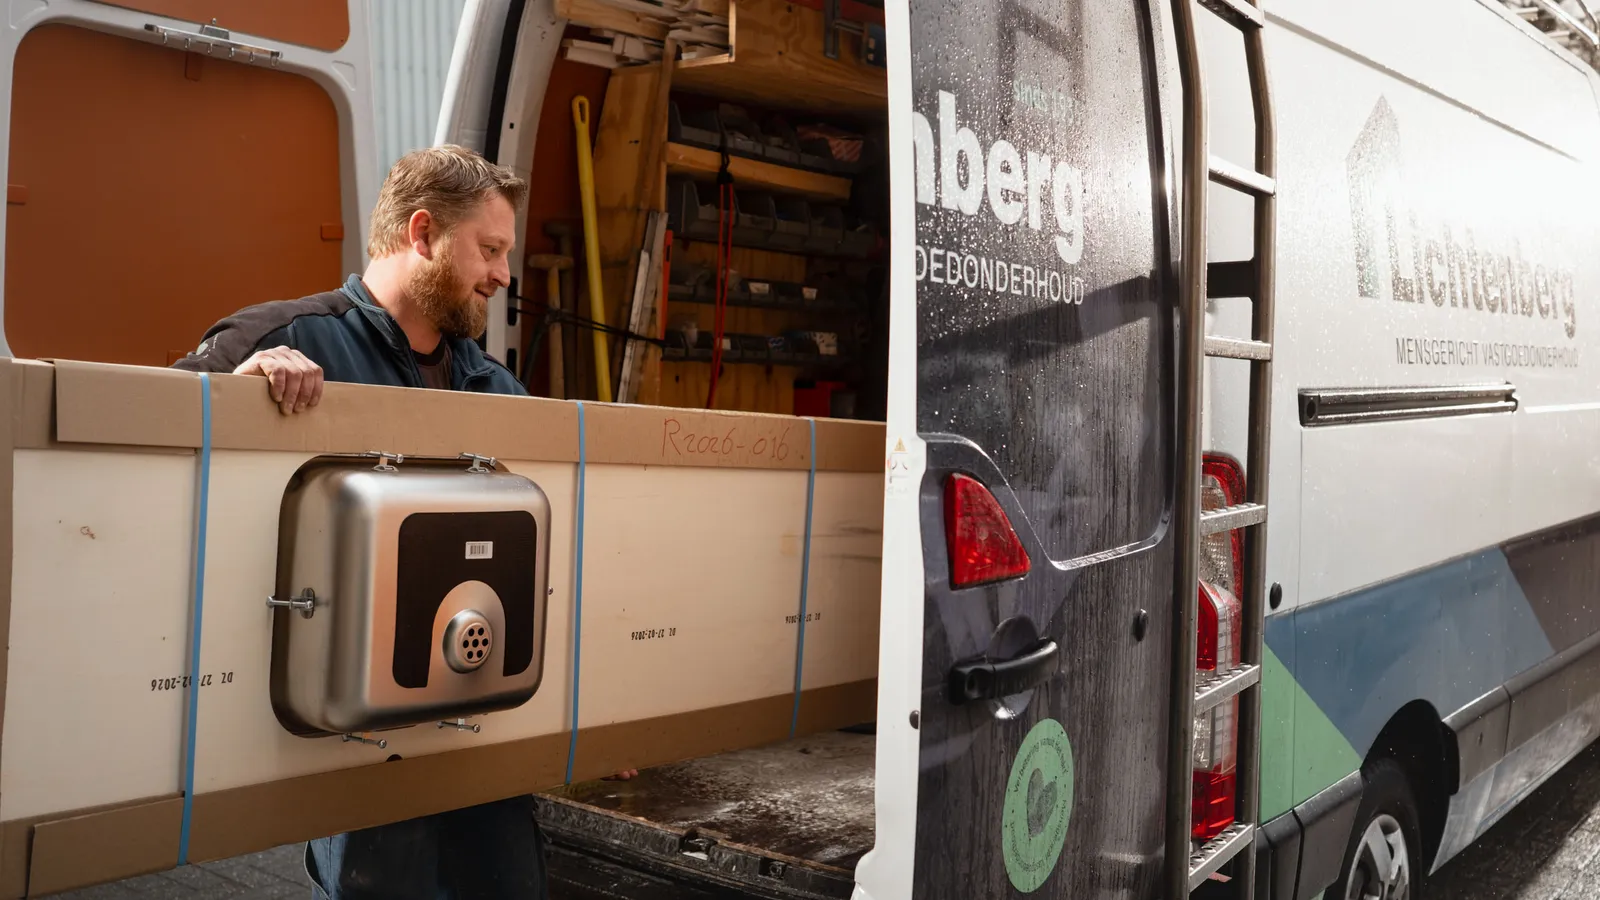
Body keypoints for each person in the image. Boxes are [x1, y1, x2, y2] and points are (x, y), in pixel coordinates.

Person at [172, 144, 640, 899]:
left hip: (479, 731)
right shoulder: (281, 342)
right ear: (422, 233)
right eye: (489, 250)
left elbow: (558, 560)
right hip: (357, 744)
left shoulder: (496, 390)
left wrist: (597, 703)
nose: (504, 275)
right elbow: (145, 462)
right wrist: (236, 390)